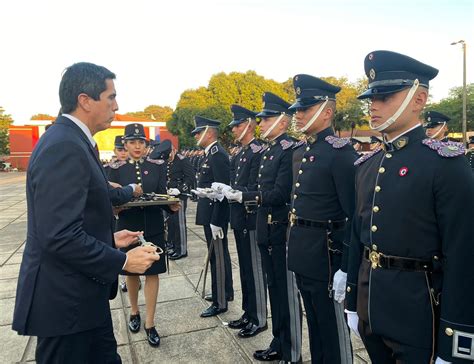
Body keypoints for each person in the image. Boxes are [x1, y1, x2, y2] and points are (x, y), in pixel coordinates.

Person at [12, 62, 161, 363]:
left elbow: (74, 216)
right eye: (111, 97)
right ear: (85, 100)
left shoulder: (74, 140)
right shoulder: (63, 145)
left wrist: (109, 238)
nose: (116, 106)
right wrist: (123, 260)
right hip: (66, 304)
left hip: (82, 295)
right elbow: (59, 235)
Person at [346, 50, 474, 363]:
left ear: (418, 99)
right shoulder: (366, 164)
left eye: (385, 96)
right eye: (371, 97)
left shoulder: (446, 166)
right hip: (372, 309)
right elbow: (358, 237)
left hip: (418, 316)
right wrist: (353, 299)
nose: (373, 105)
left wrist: (456, 339)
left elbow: (464, 256)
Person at [226, 92, 302, 363]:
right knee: (274, 289)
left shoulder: (290, 149)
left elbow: (281, 193)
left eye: (267, 118)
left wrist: (246, 196)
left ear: (283, 121)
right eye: (261, 118)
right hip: (266, 228)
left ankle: (291, 352)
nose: (262, 123)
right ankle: (279, 342)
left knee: (286, 293)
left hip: (281, 229)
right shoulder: (271, 150)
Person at [287, 74, 356, 363]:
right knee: (314, 322)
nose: (298, 114)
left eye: (305, 108)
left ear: (327, 112)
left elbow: (353, 214)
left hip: (328, 255)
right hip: (304, 250)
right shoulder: (302, 150)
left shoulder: (339, 153)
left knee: (332, 328)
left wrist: (347, 267)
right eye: (297, 109)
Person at [108, 123, 180, 347]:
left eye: (141, 142)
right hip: (128, 225)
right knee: (130, 270)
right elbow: (109, 198)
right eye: (132, 142)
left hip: (153, 224)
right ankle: (134, 311)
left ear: (147, 145)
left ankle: (150, 322)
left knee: (153, 272)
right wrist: (114, 208)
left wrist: (171, 206)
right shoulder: (115, 168)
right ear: (125, 144)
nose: (137, 146)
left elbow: (161, 194)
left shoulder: (157, 166)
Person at [215, 104, 268, 338]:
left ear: (248, 124)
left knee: (255, 271)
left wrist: (239, 193)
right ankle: (248, 312)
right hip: (239, 219)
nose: (234, 130)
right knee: (245, 270)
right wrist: (224, 190)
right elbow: (236, 184)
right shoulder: (241, 153)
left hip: (252, 218)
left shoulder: (258, 151)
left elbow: (258, 188)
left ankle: (259, 318)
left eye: (237, 125)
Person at [191, 116, 234, 317]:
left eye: (198, 132)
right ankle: (225, 291)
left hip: (215, 215)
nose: (196, 136)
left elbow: (223, 191)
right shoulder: (207, 155)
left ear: (209, 133)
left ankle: (220, 301)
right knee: (218, 255)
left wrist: (217, 220)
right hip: (208, 212)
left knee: (218, 256)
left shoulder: (217, 155)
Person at [150, 139, 195, 260]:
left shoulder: (182, 160)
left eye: (168, 156)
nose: (167, 159)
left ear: (172, 151)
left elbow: (190, 177)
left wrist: (180, 189)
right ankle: (173, 246)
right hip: (169, 195)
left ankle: (182, 249)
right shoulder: (167, 161)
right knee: (171, 222)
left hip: (179, 195)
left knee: (179, 224)